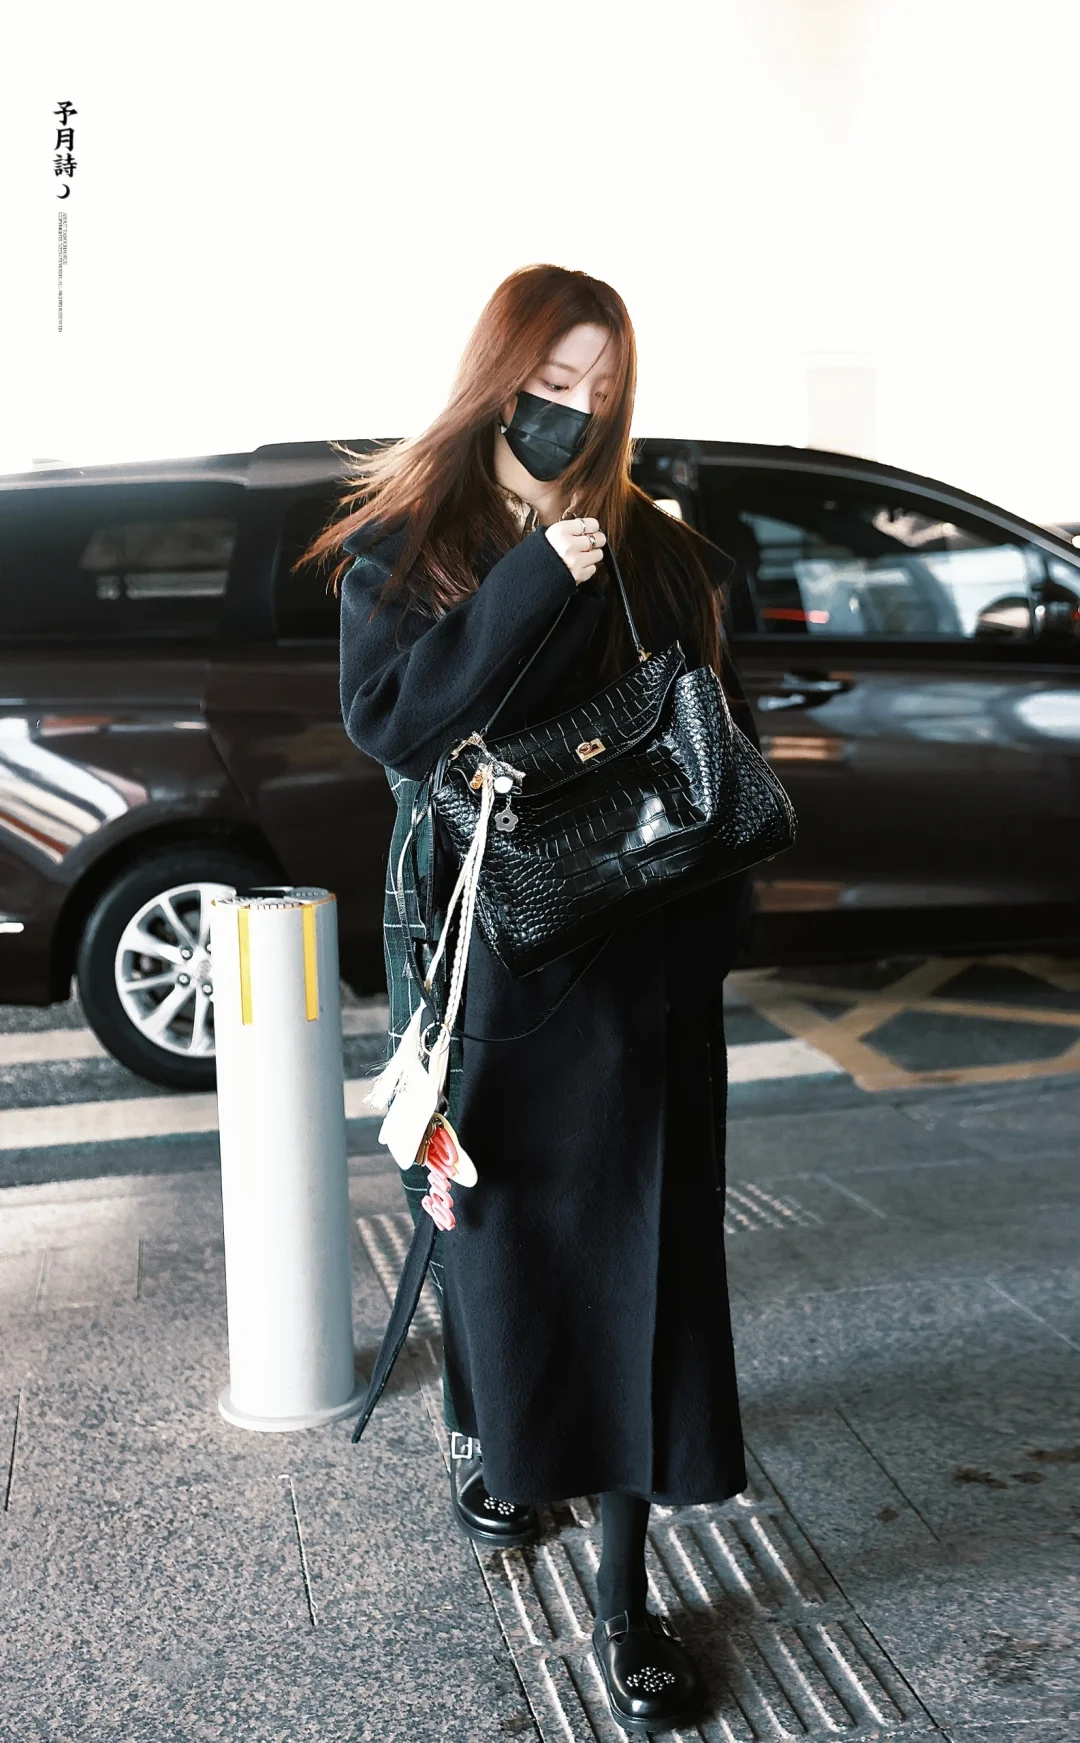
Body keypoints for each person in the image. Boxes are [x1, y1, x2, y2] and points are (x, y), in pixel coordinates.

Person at [319, 264, 759, 1735]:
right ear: (496, 376)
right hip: (482, 959)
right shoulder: (407, 548)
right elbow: (393, 723)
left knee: (641, 1266)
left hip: (637, 963)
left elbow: (716, 737)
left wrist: (707, 949)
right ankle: (497, 1441)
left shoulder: (664, 552)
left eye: (600, 389)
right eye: (551, 382)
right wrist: (531, 581)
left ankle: (628, 1596)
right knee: (489, 1232)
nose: (574, 410)